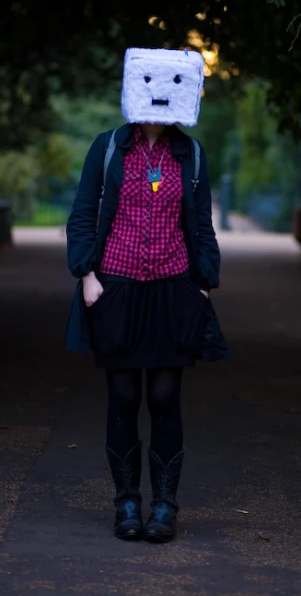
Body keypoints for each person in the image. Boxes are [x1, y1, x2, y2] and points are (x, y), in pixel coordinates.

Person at [64, 47, 229, 543]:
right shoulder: (109, 147)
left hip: (173, 288)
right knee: (123, 395)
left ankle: (164, 506)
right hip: (115, 287)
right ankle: (126, 504)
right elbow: (80, 215)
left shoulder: (191, 154)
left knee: (163, 395)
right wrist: (87, 275)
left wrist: (203, 282)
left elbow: (202, 224)